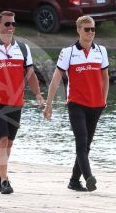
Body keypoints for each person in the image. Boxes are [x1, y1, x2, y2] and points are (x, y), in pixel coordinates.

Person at [0, 11, 44, 194]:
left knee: (10, 142)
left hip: (16, 102)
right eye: (7, 24)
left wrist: (38, 95)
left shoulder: (23, 48)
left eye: (13, 24)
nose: (11, 27)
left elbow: (31, 74)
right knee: (2, 140)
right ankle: (5, 180)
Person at [43, 15, 109, 192]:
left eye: (93, 29)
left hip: (96, 105)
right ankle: (89, 177)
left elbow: (105, 77)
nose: (90, 33)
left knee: (87, 145)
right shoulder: (69, 52)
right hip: (76, 103)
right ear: (78, 30)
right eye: (86, 29)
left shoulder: (101, 51)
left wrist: (104, 99)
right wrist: (48, 104)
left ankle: (73, 181)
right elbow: (56, 79)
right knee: (81, 142)